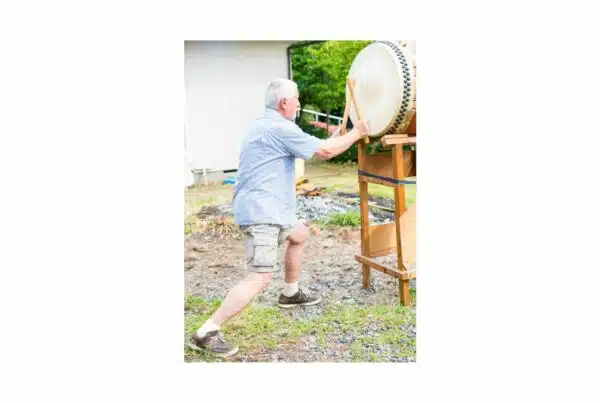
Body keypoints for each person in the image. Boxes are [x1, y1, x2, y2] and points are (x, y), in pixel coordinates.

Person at [189, 78, 370, 357]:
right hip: (263, 212)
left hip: (275, 209)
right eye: (296, 98)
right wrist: (357, 133)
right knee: (259, 277)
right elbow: (324, 151)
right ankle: (206, 332)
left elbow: (318, 145)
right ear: (284, 102)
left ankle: (290, 293)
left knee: (299, 233)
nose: (299, 103)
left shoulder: (266, 124)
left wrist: (338, 137)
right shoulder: (279, 128)